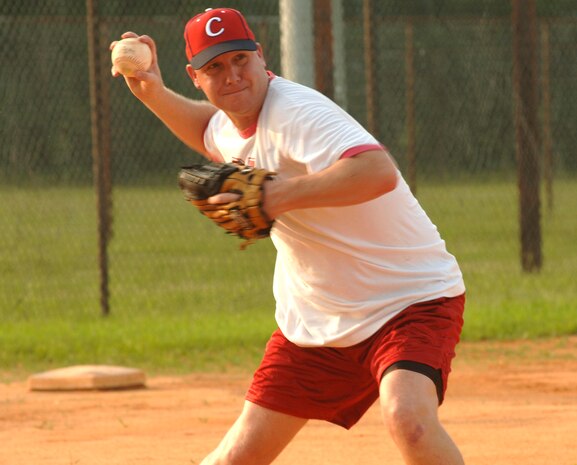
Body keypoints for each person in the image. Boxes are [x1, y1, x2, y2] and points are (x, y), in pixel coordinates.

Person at [111, 7, 466, 465]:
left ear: (261, 56)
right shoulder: (230, 124)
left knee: (409, 420)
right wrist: (152, 93)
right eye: (215, 67)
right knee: (233, 458)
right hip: (315, 322)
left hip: (407, 300)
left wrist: (280, 196)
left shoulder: (296, 111)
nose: (233, 75)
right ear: (195, 77)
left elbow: (378, 171)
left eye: (240, 59)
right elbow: (209, 130)